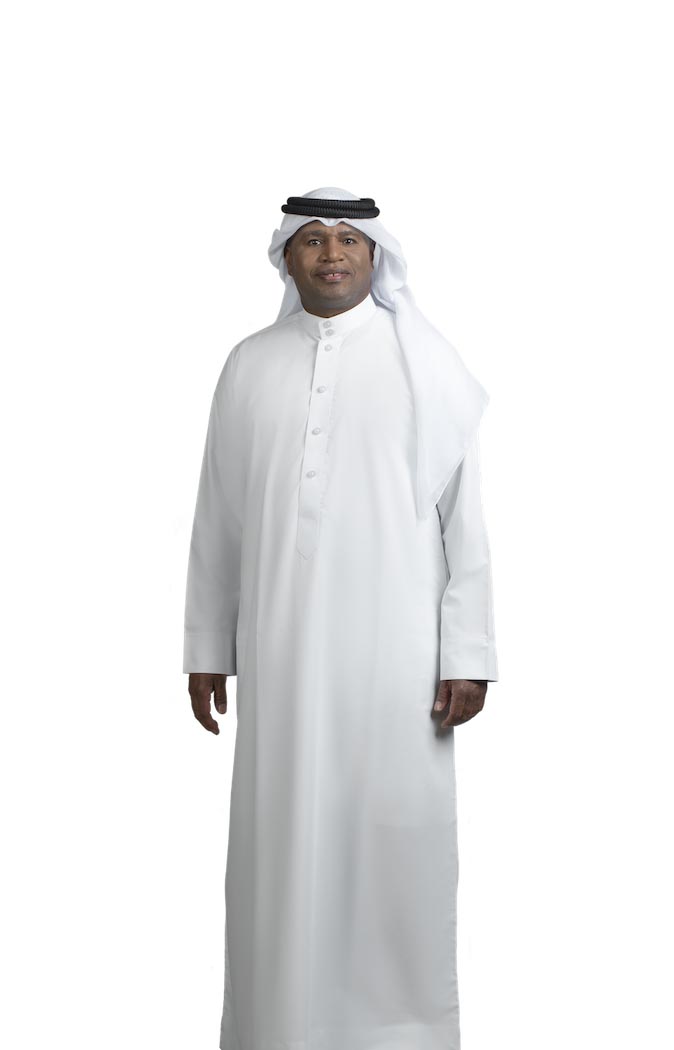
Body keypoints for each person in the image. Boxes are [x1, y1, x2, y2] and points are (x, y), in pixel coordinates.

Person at [183, 187, 499, 1050]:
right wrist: (208, 643)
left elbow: (464, 521)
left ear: (375, 255)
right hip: (280, 657)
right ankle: (277, 1029)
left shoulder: (425, 365)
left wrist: (467, 653)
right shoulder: (248, 365)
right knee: (281, 847)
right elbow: (220, 515)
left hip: (398, 664)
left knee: (393, 851)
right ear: (286, 257)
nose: (331, 254)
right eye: (313, 240)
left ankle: (400, 1033)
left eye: (348, 241)